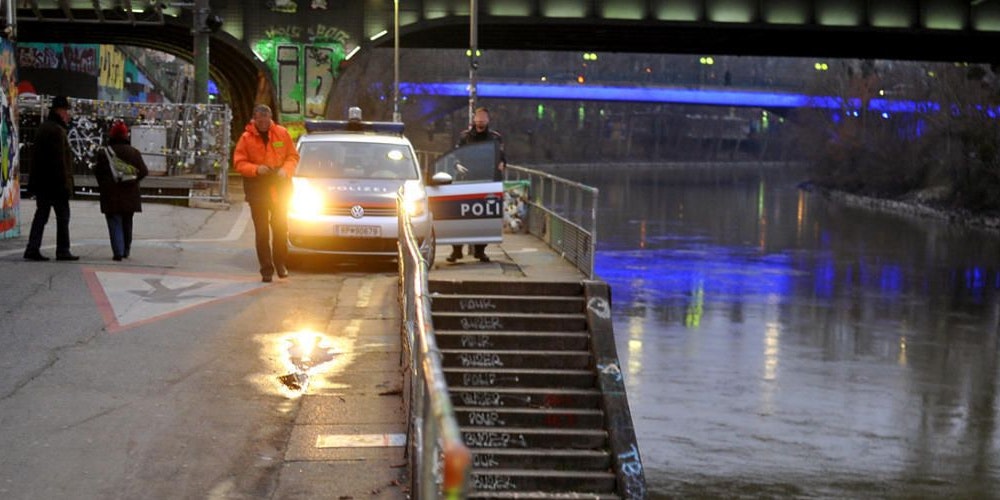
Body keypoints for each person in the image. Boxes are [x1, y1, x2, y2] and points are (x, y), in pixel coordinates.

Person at [233, 104, 299, 282]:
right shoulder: (246, 138)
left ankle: (280, 263)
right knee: (262, 232)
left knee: (280, 229)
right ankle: (266, 269)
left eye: (266, 120)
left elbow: (292, 156)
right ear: (254, 119)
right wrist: (256, 169)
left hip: (280, 187)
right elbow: (239, 162)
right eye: (260, 120)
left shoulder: (282, 134)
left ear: (270, 118)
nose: (263, 123)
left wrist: (286, 170)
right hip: (257, 189)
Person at [446, 106, 507, 263]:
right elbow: (455, 156)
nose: (480, 120)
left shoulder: (495, 138)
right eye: (478, 116)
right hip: (465, 182)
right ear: (474, 119)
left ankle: (480, 250)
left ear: (487, 120)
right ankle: (456, 250)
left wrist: (500, 167)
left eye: (483, 117)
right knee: (459, 218)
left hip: (487, 183)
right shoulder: (465, 137)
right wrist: (457, 165)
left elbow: (502, 158)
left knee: (484, 219)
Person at [24, 95, 78, 261]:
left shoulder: (45, 127)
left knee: (41, 214)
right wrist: (65, 185)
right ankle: (62, 249)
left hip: (43, 182)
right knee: (63, 216)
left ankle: (32, 248)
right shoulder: (56, 130)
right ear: (59, 111)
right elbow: (59, 161)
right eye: (66, 111)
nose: (68, 115)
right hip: (55, 184)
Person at [93, 120, 149, 261]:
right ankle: (126, 250)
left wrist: (105, 185)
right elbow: (144, 171)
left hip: (110, 194)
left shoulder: (104, 153)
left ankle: (117, 251)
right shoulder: (134, 152)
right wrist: (132, 180)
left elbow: (98, 172)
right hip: (130, 194)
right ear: (126, 135)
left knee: (114, 222)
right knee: (127, 222)